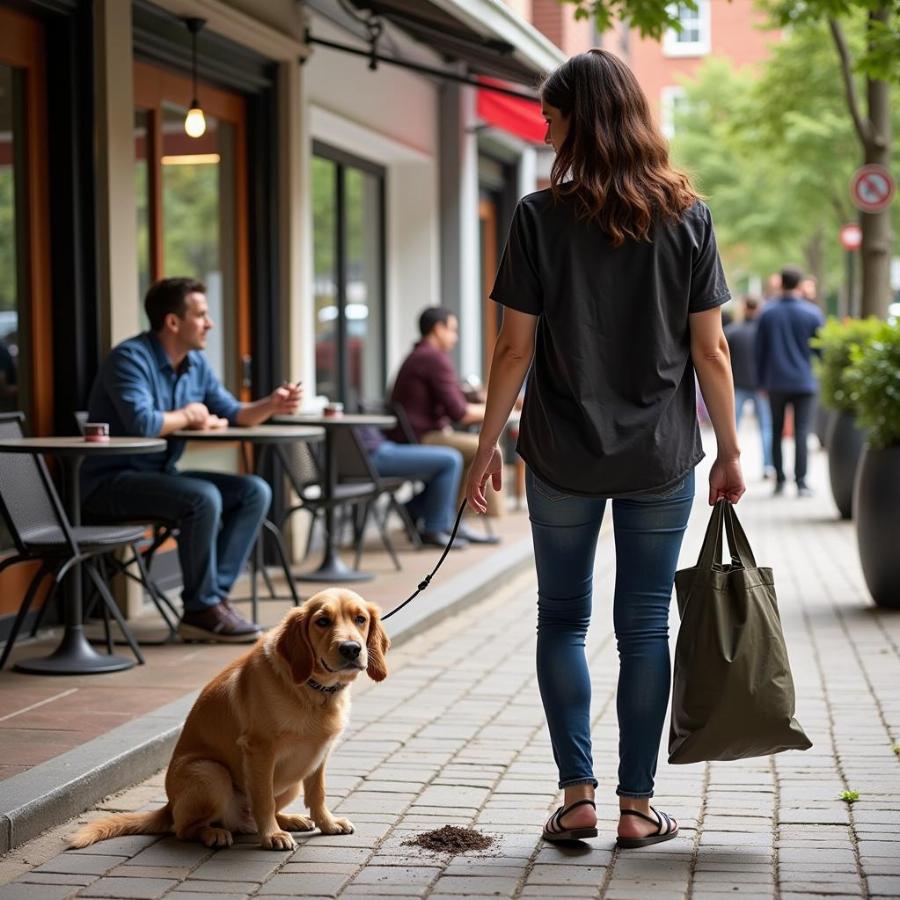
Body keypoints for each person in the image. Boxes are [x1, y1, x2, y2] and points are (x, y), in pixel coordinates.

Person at [464, 50, 744, 849]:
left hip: (560, 456)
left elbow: (513, 351)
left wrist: (485, 452)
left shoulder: (537, 217)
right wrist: (728, 450)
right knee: (645, 625)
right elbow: (711, 352)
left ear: (579, 119)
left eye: (551, 117)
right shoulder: (688, 215)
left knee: (561, 618)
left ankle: (576, 797)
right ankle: (636, 807)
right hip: (660, 457)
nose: (544, 129)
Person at [82, 278, 302, 643]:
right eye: (201, 315)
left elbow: (234, 413)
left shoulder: (195, 364)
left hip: (160, 476)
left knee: (253, 491)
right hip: (109, 482)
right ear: (173, 322)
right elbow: (144, 423)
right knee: (202, 497)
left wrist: (272, 404)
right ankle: (202, 609)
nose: (210, 323)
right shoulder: (129, 359)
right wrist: (190, 414)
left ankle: (212, 601)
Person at [389, 306, 503, 538]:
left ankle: (417, 507)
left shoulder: (420, 355)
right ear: (438, 329)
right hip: (422, 438)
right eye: (452, 330)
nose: (456, 337)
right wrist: (498, 411)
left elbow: (454, 406)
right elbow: (459, 412)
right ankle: (453, 520)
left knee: (469, 448)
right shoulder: (432, 358)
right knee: (476, 450)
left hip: (416, 435)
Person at [754, 265, 825, 497]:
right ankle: (802, 482)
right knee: (802, 432)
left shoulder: (767, 313)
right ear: (799, 284)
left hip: (775, 382)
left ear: (781, 283)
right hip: (804, 381)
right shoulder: (812, 313)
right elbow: (821, 350)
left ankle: (779, 481)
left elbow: (759, 351)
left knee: (775, 430)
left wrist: (761, 382)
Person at [355, 426, 468, 549]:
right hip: (369, 454)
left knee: (453, 459)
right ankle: (435, 528)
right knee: (451, 460)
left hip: (381, 447)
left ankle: (416, 508)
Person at [725, 296, 774, 478]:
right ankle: (768, 466)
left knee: (731, 429)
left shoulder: (731, 332)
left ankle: (730, 464)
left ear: (744, 308)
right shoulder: (764, 333)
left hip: (736, 386)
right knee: (766, 428)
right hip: (761, 387)